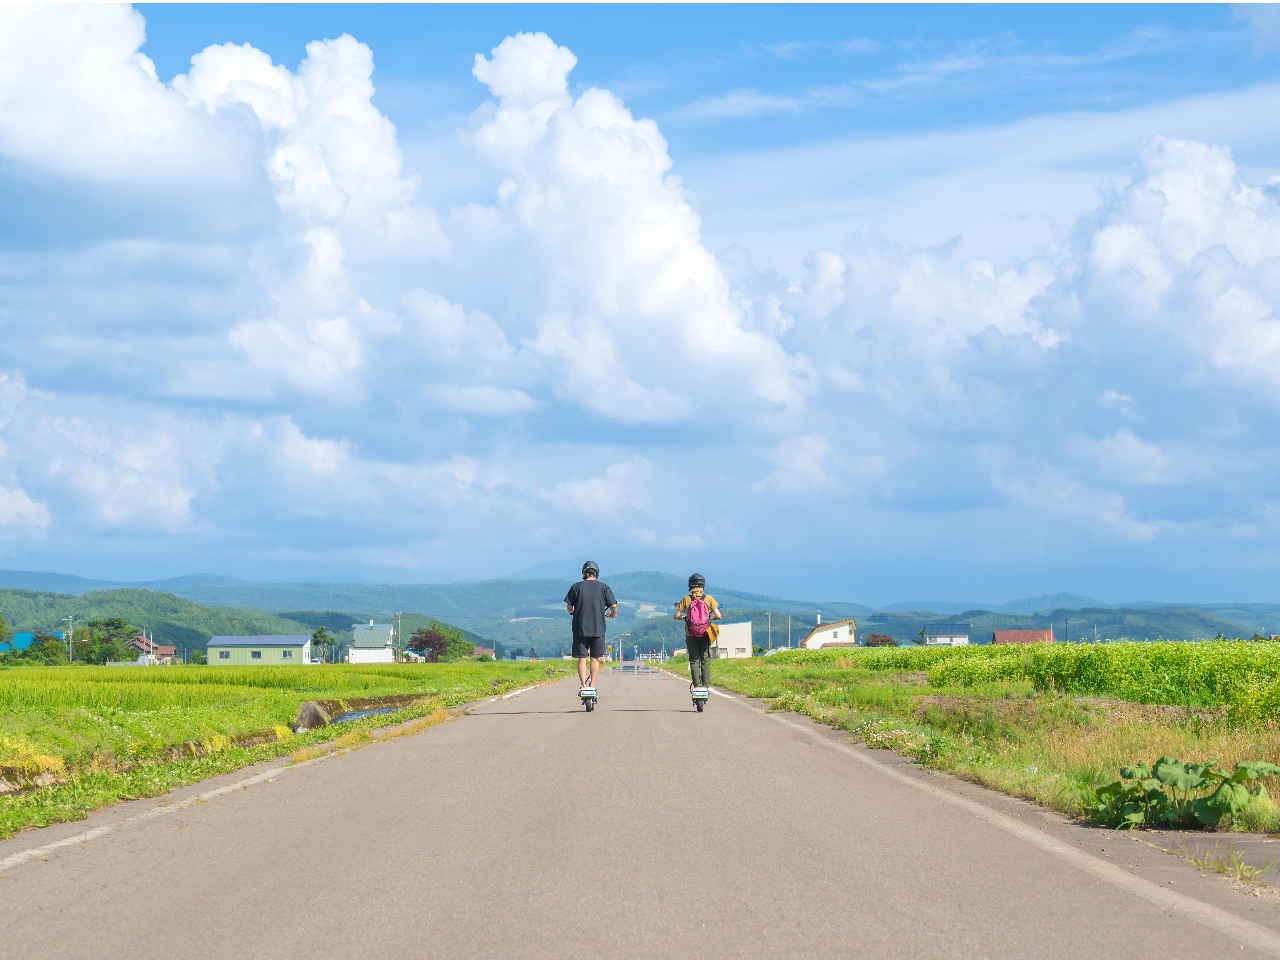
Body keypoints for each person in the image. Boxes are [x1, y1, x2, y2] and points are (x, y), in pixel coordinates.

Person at [564, 561, 617, 690]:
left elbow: (569, 606)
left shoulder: (576, 587)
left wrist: (573, 612)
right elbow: (613, 606)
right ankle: (592, 686)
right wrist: (611, 614)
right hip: (598, 629)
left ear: (584, 573)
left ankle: (583, 686)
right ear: (596, 573)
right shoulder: (603, 587)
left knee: (582, 658)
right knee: (595, 658)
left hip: (579, 628)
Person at [674, 573, 722, 691]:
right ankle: (705, 687)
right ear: (703, 585)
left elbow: (676, 615)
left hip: (690, 634)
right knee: (705, 660)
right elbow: (718, 615)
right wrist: (711, 618)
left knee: (694, 660)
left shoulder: (686, 599)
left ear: (690, 585)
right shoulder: (709, 599)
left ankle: (696, 687)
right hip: (705, 633)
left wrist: (682, 617)